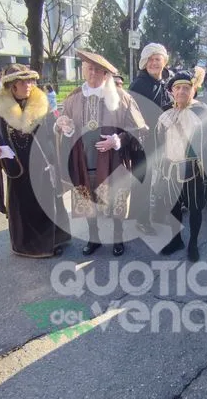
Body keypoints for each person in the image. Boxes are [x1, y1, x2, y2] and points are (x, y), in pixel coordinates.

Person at [56, 50, 147, 257]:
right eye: (89, 69)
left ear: (106, 74)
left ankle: (117, 238)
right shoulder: (73, 97)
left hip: (114, 161)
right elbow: (63, 122)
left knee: (116, 203)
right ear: (83, 70)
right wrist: (66, 126)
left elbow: (139, 129)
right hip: (84, 160)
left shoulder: (121, 96)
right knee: (89, 203)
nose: (93, 73)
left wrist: (118, 140)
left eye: (98, 70)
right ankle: (93, 238)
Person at [0, 64, 70, 258]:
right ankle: (31, 246)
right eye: (23, 81)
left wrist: (61, 124)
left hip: (43, 164)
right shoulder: (0, 109)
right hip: (18, 169)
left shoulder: (40, 104)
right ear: (12, 85)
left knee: (46, 204)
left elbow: (55, 121)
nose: (28, 85)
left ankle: (54, 239)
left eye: (30, 80)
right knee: (25, 208)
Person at [152, 68, 207, 262]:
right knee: (172, 208)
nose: (182, 92)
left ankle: (193, 243)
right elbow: (158, 144)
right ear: (172, 91)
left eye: (186, 88)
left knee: (195, 209)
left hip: (193, 170)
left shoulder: (202, 112)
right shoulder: (165, 115)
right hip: (170, 169)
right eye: (178, 88)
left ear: (193, 90)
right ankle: (176, 240)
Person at [128, 42, 173, 236]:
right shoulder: (140, 84)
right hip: (143, 141)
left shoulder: (162, 82)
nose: (155, 63)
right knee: (143, 182)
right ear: (144, 62)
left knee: (158, 179)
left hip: (160, 139)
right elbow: (131, 113)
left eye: (158, 59)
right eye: (151, 59)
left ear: (164, 62)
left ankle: (153, 214)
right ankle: (141, 219)